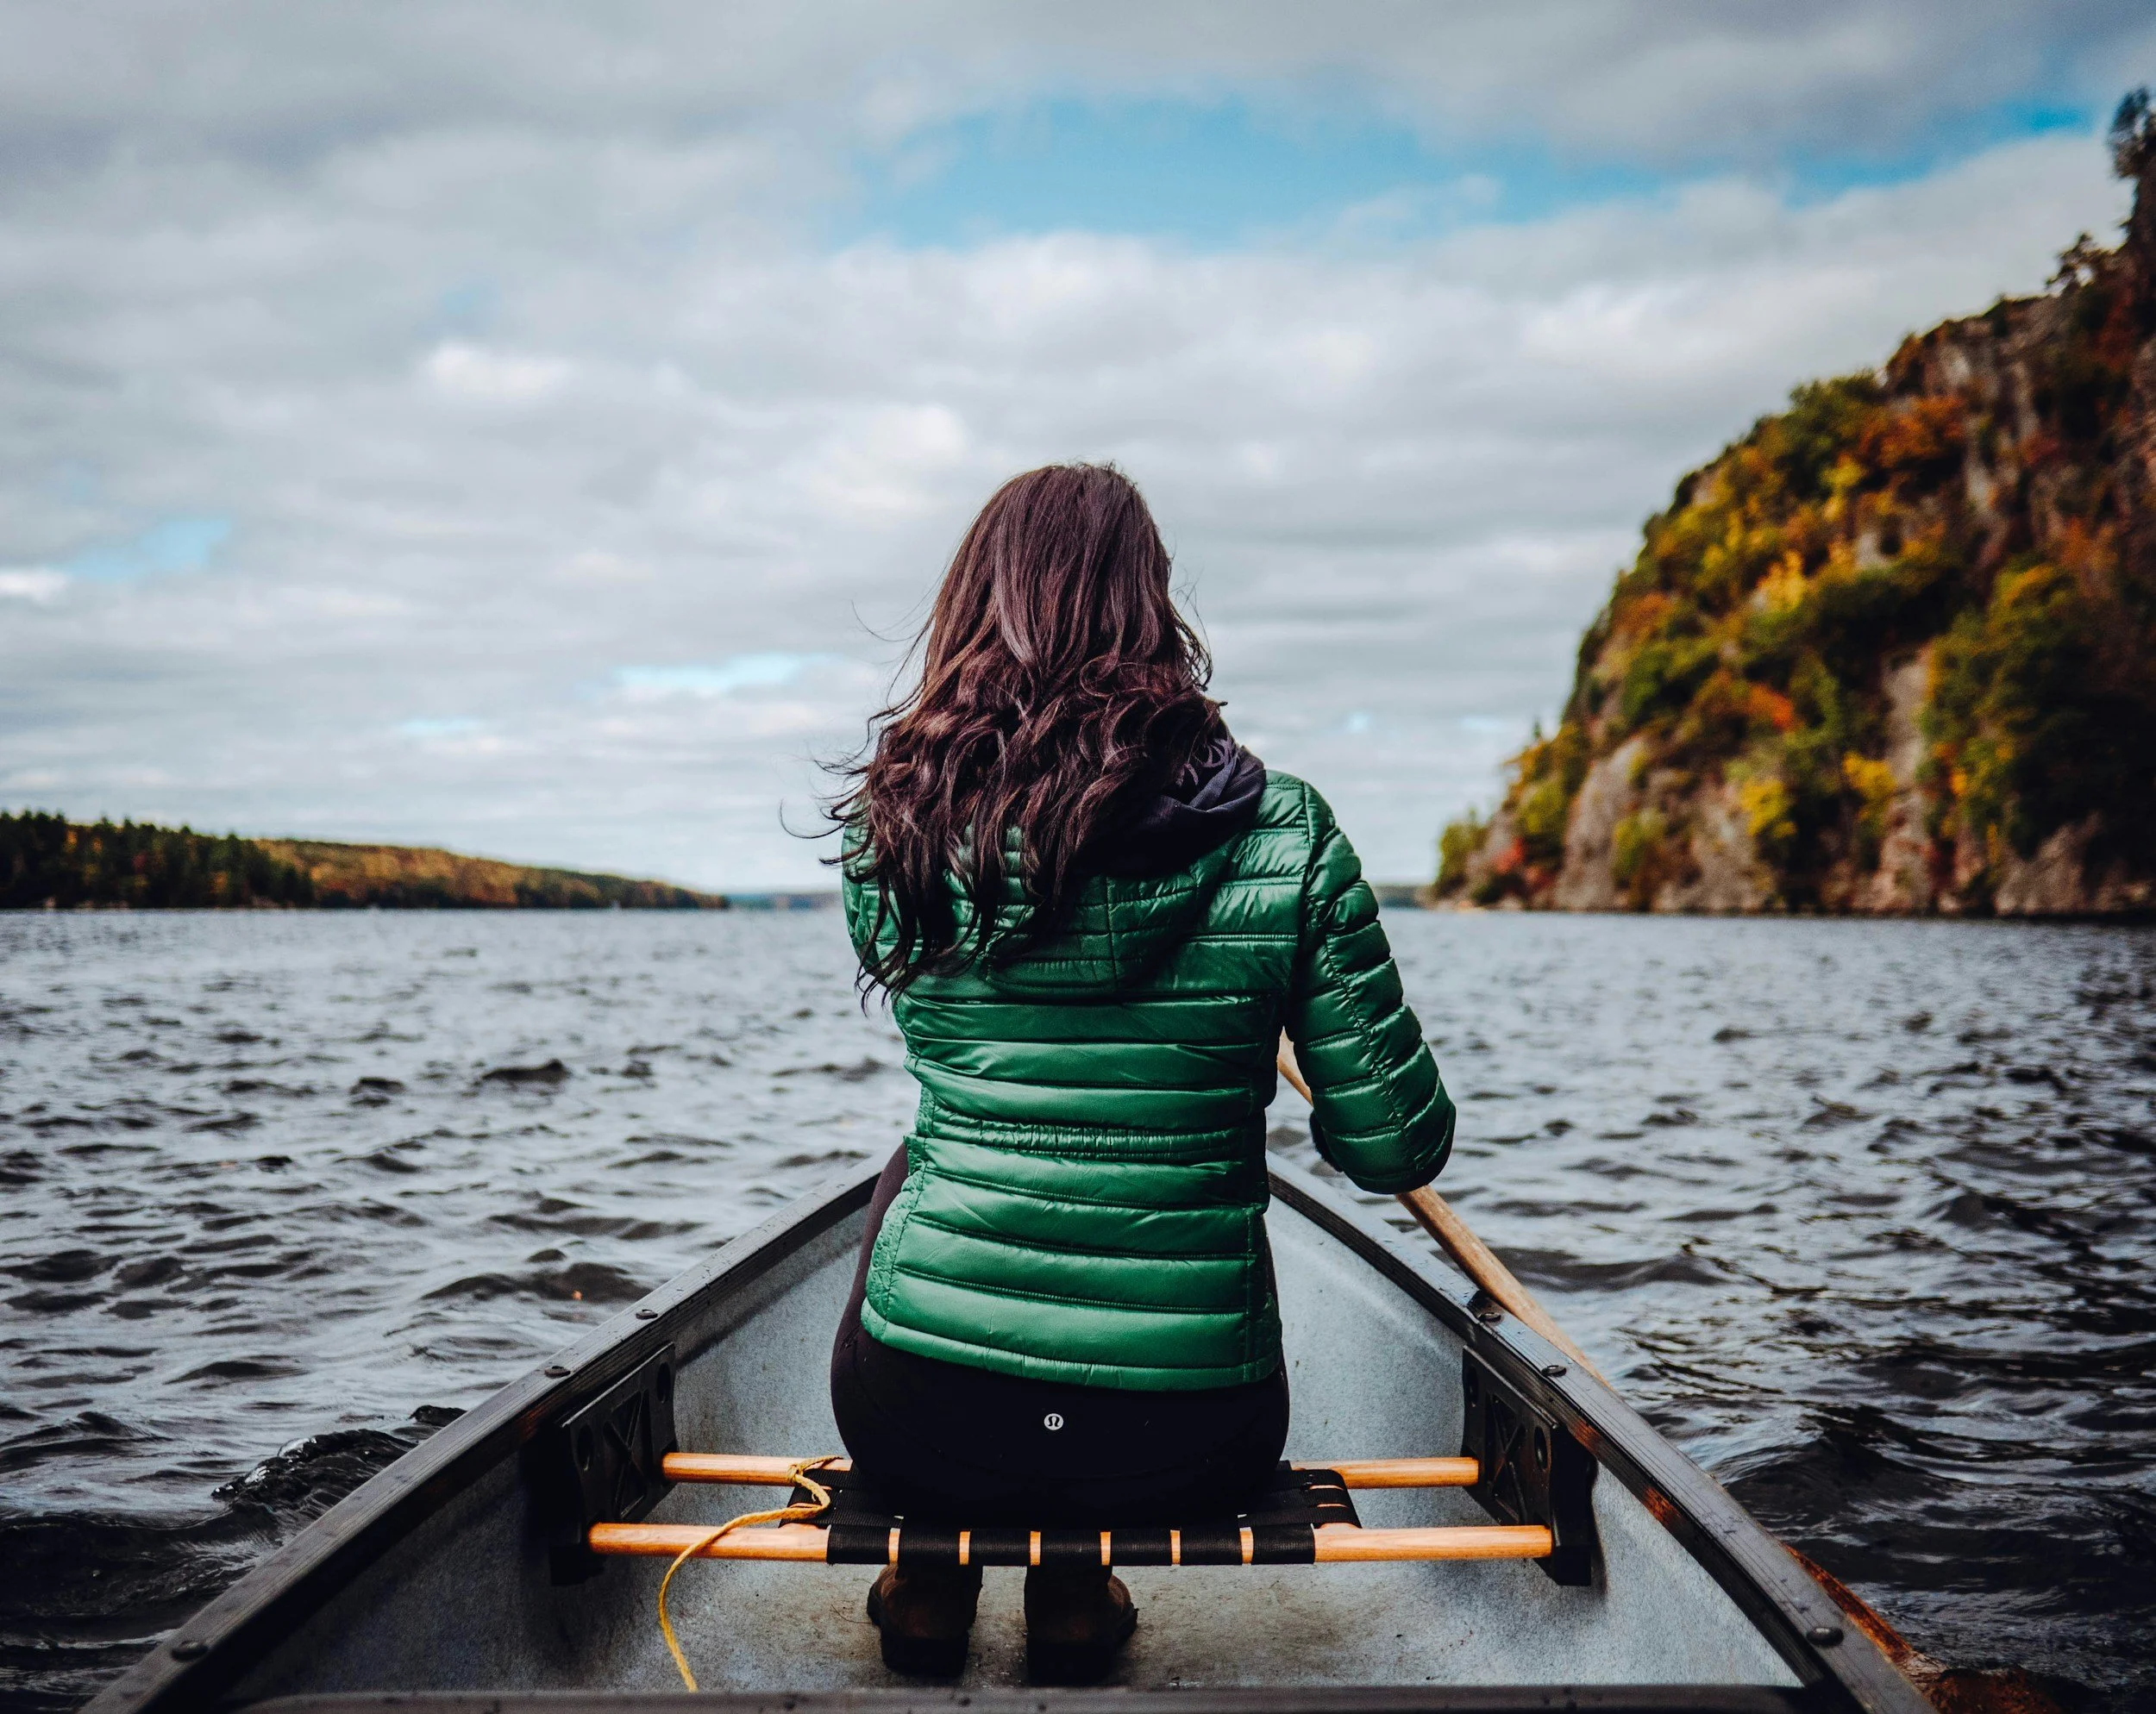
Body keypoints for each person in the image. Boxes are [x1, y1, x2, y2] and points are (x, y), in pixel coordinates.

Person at [828, 462, 1453, 1683]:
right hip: (1191, 1439)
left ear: (975, 609)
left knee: (919, 1171)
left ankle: (927, 1581)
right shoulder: (1289, 834)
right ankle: (1072, 1593)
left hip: (921, 1425)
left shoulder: (892, 828)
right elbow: (1396, 1152)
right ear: (1154, 611)